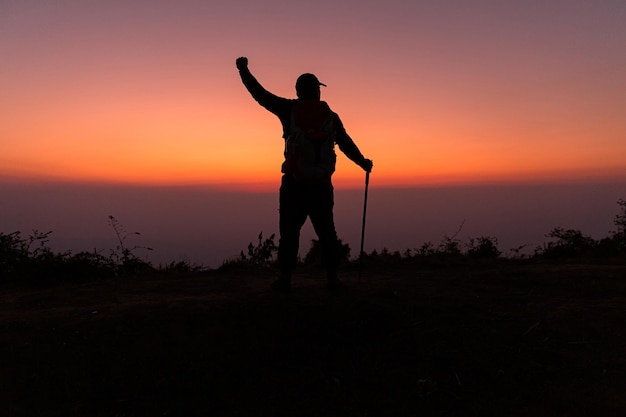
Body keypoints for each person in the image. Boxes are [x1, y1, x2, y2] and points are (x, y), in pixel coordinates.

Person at [235, 56, 373, 291]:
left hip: (293, 184)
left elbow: (260, 94)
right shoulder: (330, 116)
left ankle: (285, 280)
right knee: (327, 231)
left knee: (289, 233)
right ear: (317, 92)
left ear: (298, 91)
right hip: (321, 185)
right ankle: (332, 279)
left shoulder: (288, 109)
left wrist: (243, 70)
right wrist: (363, 162)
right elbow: (345, 143)